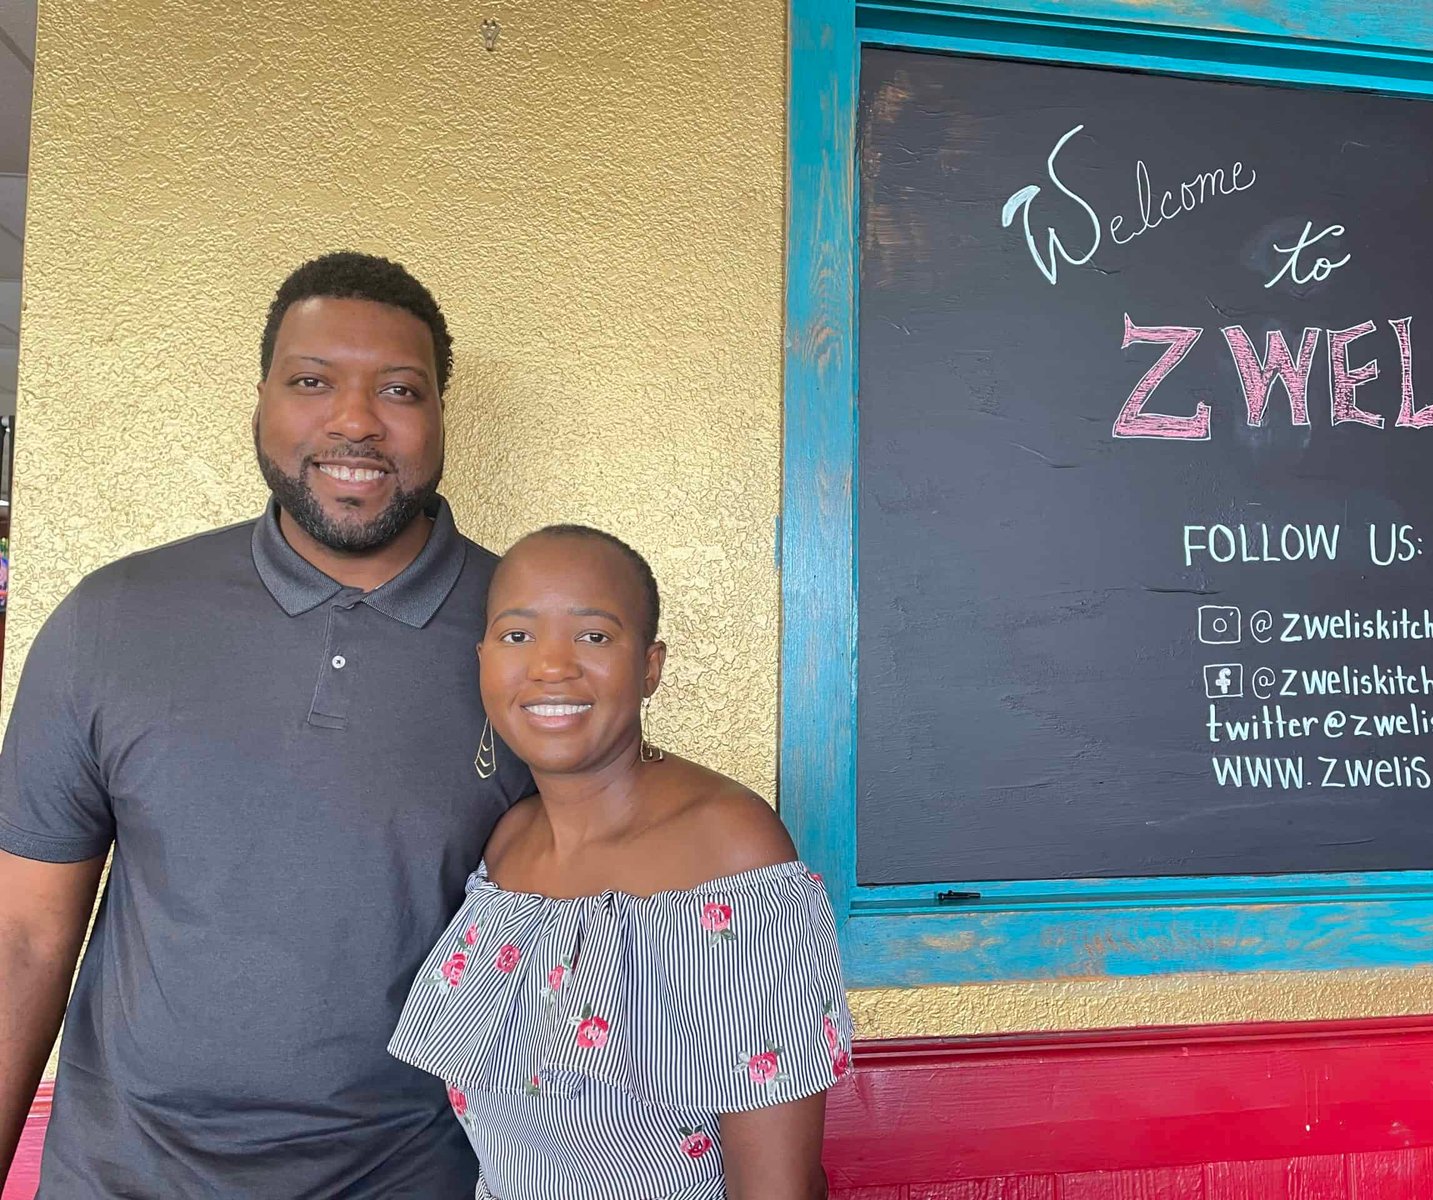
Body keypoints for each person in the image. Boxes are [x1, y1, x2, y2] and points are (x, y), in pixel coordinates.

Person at [0, 251, 532, 1196]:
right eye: (312, 381)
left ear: (443, 416)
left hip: (414, 1177)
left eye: (400, 389)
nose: (356, 419)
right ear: (260, 404)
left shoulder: (528, 639)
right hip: (120, 1176)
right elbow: (24, 938)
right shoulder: (114, 617)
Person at [388, 526, 851, 1200]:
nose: (551, 665)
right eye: (518, 636)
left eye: (594, 636)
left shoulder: (727, 849)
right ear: (483, 659)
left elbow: (778, 1188)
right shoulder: (508, 848)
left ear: (651, 666)